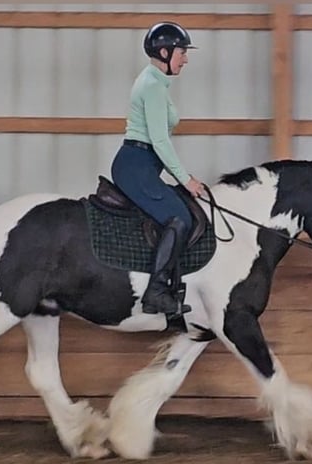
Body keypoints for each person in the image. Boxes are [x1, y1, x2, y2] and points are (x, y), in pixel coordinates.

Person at [110, 21, 207, 317]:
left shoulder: (157, 83)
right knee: (179, 218)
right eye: (182, 52)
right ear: (164, 52)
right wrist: (186, 179)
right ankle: (156, 291)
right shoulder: (152, 86)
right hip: (136, 164)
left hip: (145, 164)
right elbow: (160, 141)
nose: (186, 59)